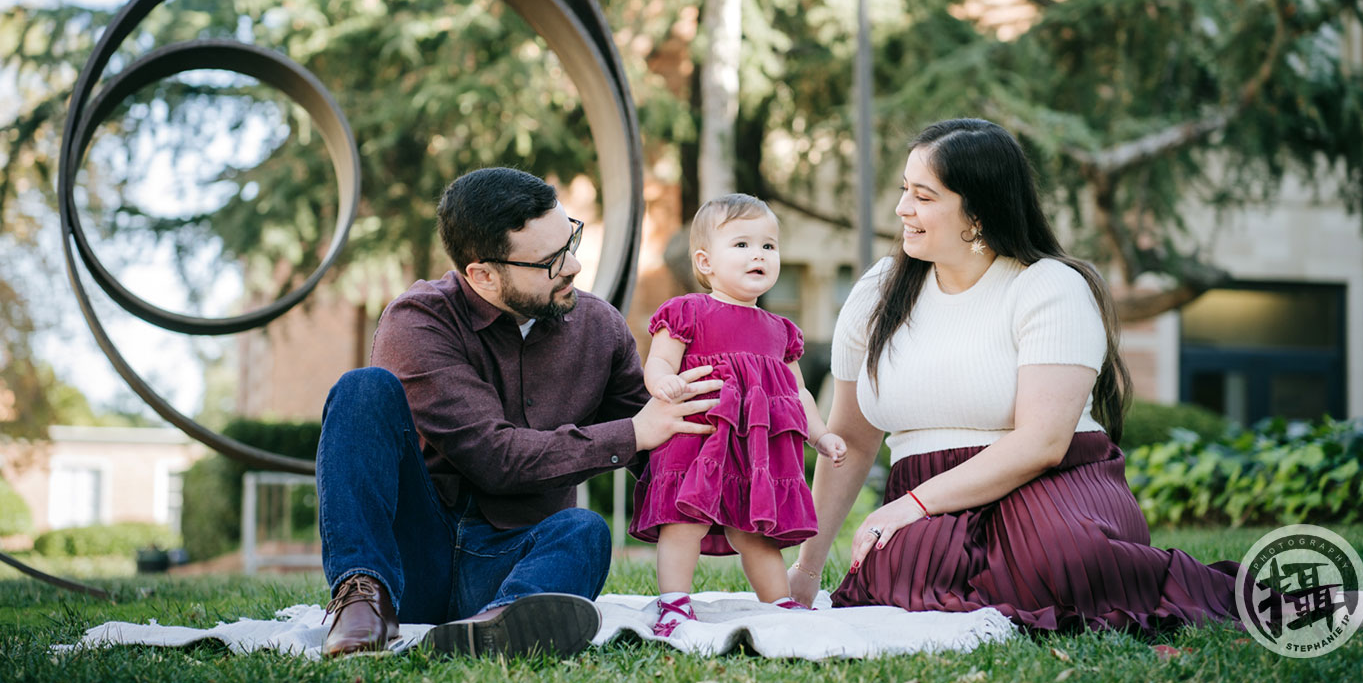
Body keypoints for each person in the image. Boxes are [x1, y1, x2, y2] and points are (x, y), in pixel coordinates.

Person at [785, 119, 1242, 632]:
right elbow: (848, 439)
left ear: (976, 213)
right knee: (901, 571)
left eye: (924, 196)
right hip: (930, 492)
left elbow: (1043, 442)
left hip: (1053, 481)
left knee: (1059, 560)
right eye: (903, 191)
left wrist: (910, 505)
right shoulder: (876, 293)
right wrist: (805, 569)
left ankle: (1229, 595)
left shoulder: (1049, 287)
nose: (902, 210)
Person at [315, 167, 723, 658]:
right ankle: (362, 597)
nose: (572, 266)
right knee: (362, 390)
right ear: (483, 274)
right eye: (551, 261)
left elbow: (661, 446)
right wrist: (631, 434)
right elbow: (495, 457)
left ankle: (501, 623)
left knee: (585, 530)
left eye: (570, 241)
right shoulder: (418, 321)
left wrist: (744, 466)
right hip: (414, 564)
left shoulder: (600, 327)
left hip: (517, 562)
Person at [629, 194, 848, 636]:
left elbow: (797, 391)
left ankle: (778, 602)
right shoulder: (689, 310)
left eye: (769, 246)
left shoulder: (780, 331)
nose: (759, 255)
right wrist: (662, 382)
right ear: (706, 261)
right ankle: (673, 602)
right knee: (684, 521)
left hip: (755, 452)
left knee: (755, 532)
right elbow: (657, 361)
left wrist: (820, 435)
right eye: (743, 245)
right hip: (699, 438)